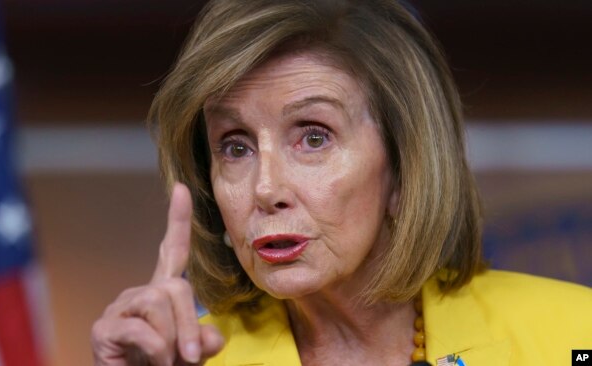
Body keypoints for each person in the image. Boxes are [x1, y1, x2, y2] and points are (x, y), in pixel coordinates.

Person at [91, 0, 592, 365]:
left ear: (403, 165)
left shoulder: (577, 333)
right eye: (236, 146)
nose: (266, 189)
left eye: (313, 137)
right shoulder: (190, 360)